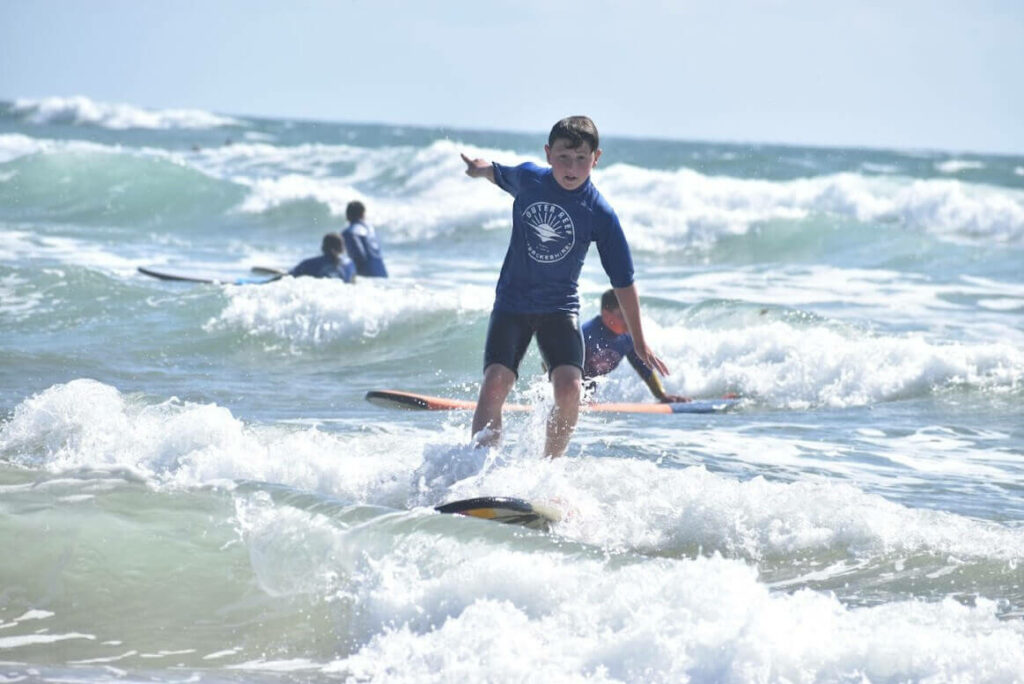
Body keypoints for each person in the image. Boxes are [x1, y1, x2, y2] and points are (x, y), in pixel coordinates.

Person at [460, 115, 669, 458]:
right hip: (512, 303)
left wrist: (640, 340)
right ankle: (477, 466)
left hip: (559, 308)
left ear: (596, 158)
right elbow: (495, 171)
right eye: (563, 158)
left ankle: (548, 473)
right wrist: (478, 169)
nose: (572, 167)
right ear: (548, 154)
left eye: (581, 159)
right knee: (496, 380)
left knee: (570, 388)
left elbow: (624, 283)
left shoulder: (599, 212)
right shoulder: (529, 179)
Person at [582, 289, 689, 403]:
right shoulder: (586, 334)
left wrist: (662, 395)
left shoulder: (628, 338)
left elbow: (643, 367)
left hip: (585, 393)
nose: (629, 321)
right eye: (623, 316)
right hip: (568, 387)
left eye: (630, 315)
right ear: (606, 314)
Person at [342, 201, 389, 277]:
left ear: (347, 215)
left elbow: (359, 255)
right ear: (363, 214)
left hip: (367, 278)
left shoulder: (349, 232)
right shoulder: (371, 230)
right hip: (382, 275)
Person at [289, 233, 356, 282]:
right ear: (342, 249)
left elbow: (289, 277)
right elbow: (353, 284)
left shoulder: (310, 264)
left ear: (324, 247)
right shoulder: (349, 264)